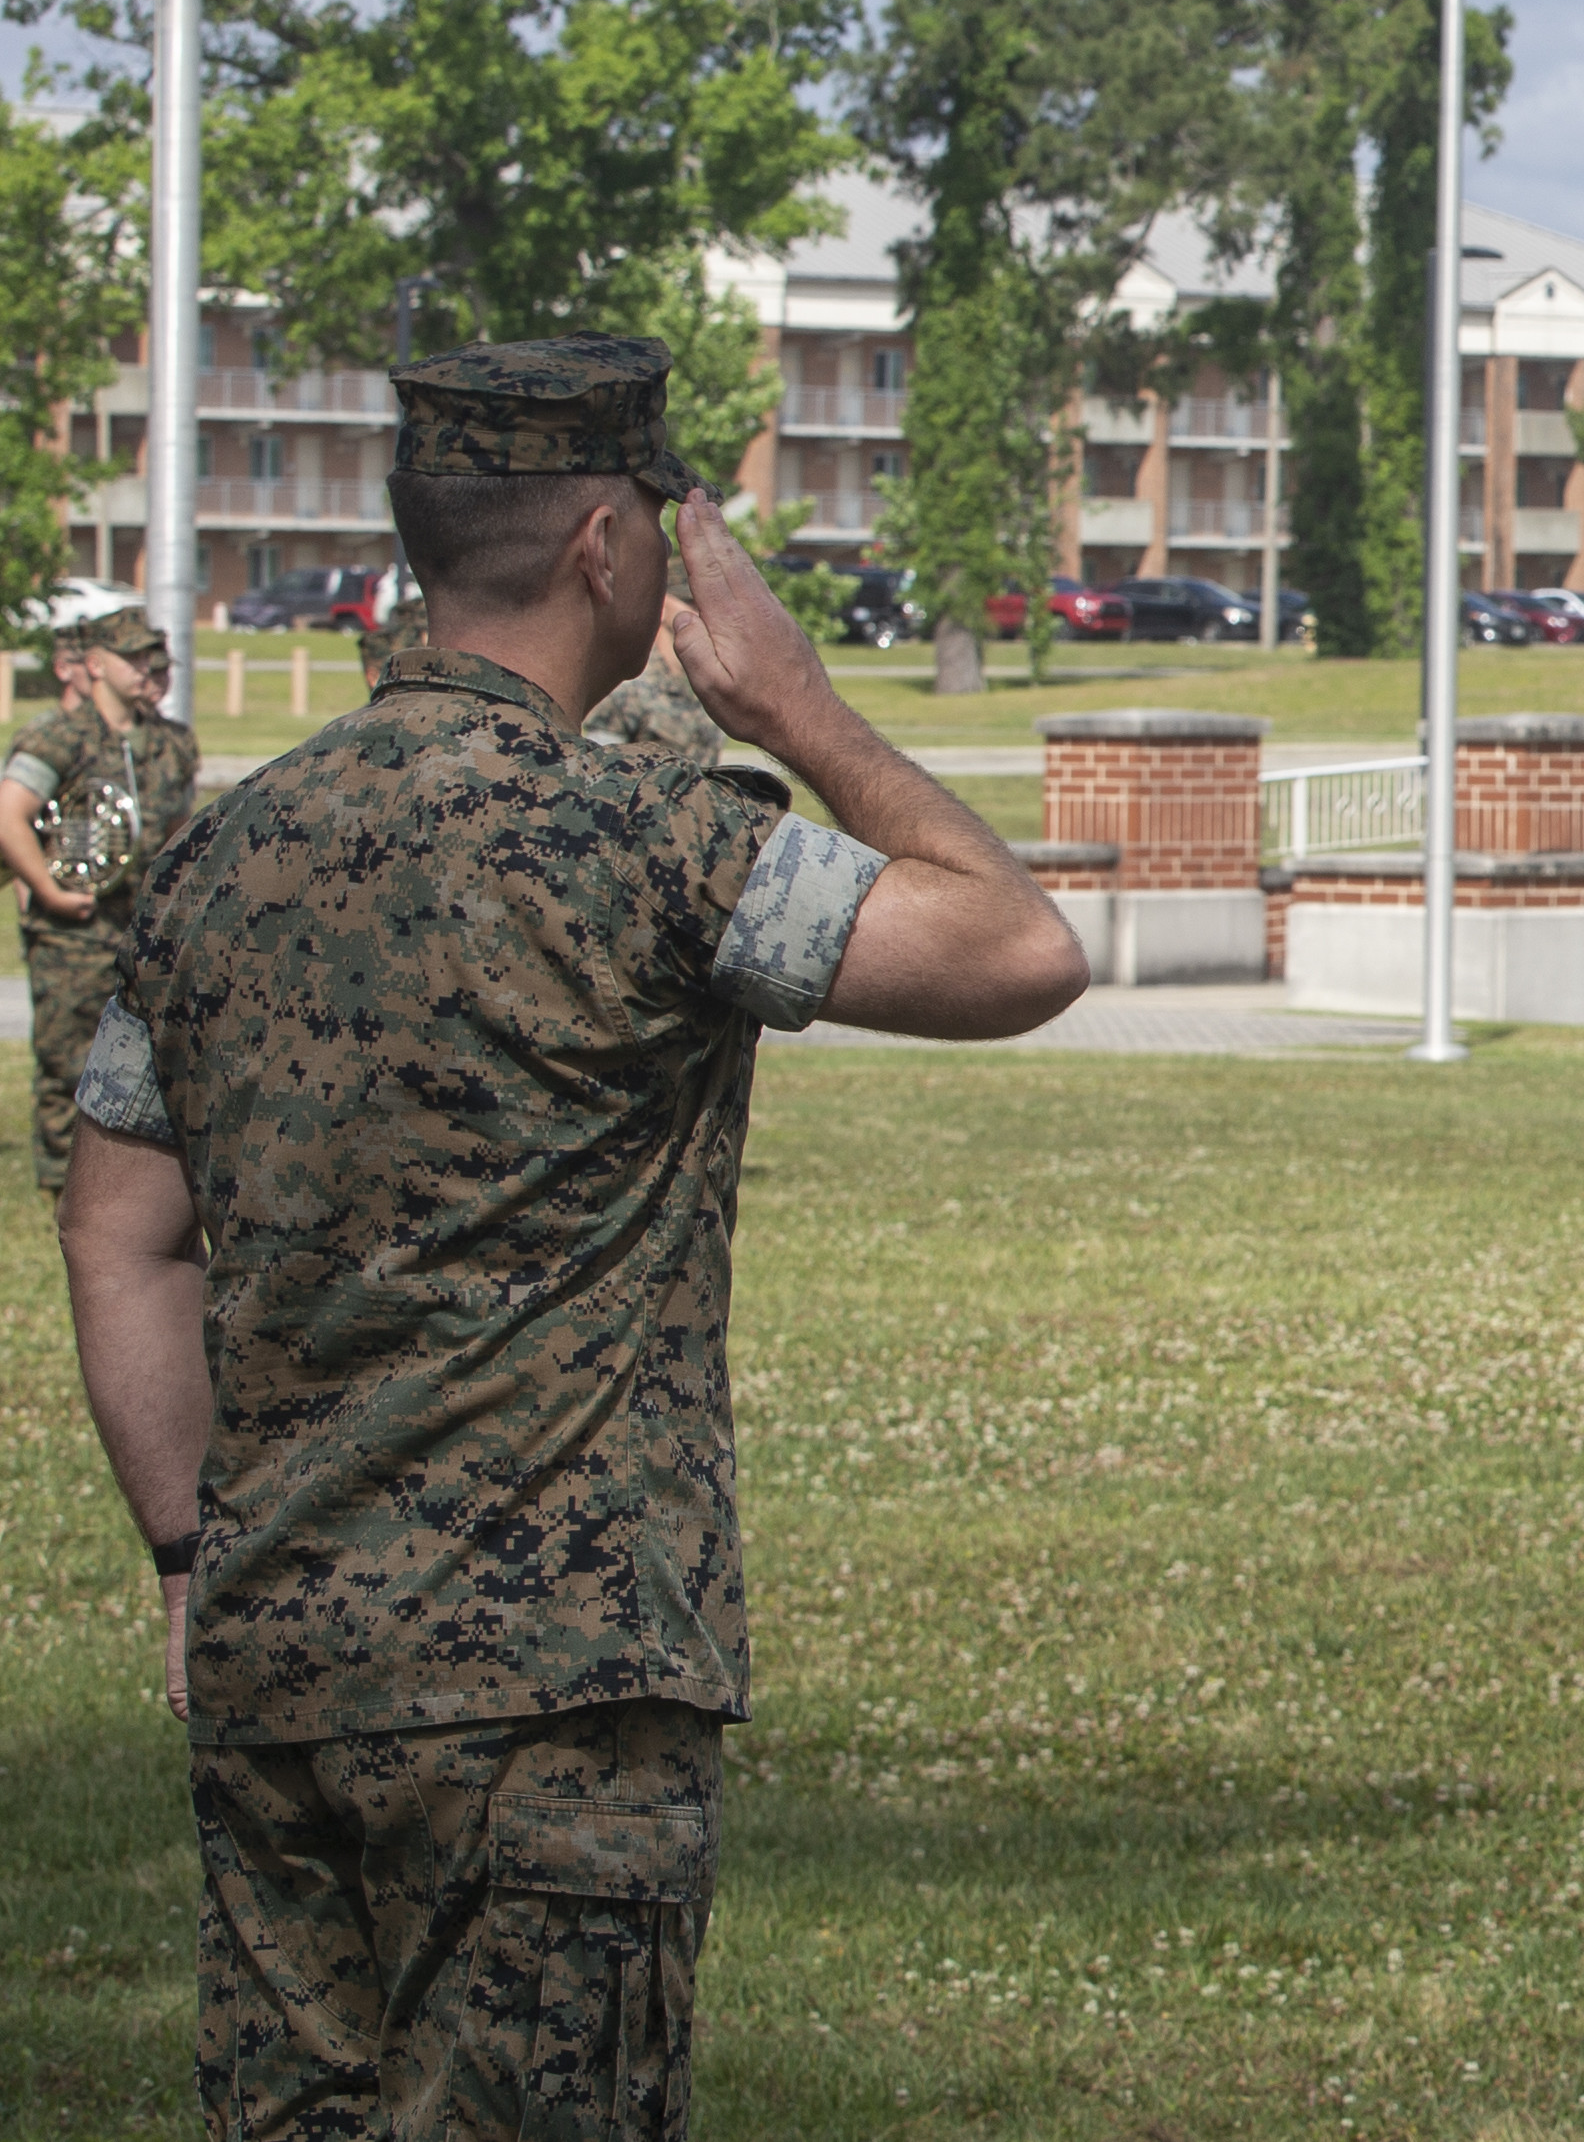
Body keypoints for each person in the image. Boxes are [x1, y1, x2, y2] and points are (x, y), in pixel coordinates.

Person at [55, 334, 1089, 2136]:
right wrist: (796, 709)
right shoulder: (645, 840)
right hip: (555, 1693)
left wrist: (178, 1550)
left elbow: (118, 1235)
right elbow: (1016, 951)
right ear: (612, 548)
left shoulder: (227, 857)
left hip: (279, 1659)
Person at [11, 603, 196, 1198]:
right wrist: (46, 890)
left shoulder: (172, 742)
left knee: (153, 1061)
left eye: (155, 656)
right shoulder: (59, 737)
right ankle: (58, 1188)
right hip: (76, 929)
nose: (150, 668)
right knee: (68, 1058)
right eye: (134, 656)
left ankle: (129, 1186)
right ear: (94, 664)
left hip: (145, 926)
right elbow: (10, 816)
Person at [581, 640, 729, 765]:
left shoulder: (709, 683)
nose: (697, 611)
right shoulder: (628, 686)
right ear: (663, 610)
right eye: (688, 603)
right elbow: (600, 773)